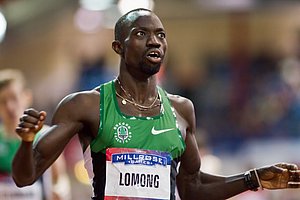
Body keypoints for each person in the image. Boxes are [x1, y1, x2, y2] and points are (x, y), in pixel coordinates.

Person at [12, 8, 300, 200]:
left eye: (160, 35)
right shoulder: (85, 106)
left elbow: (191, 187)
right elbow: (25, 176)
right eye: (141, 34)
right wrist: (26, 142)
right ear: (118, 47)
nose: (155, 42)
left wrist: (254, 178)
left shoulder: (181, 110)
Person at [0, 69, 71, 200]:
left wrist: (60, 191)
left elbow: (60, 179)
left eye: (13, 98)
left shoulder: (45, 135)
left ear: (27, 97)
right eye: (3, 101)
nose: (9, 106)